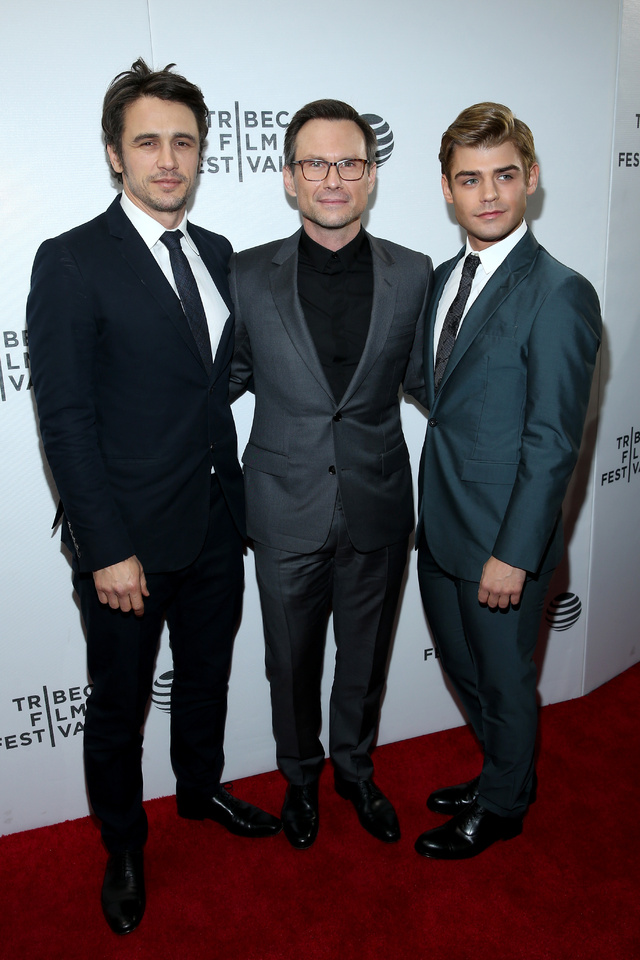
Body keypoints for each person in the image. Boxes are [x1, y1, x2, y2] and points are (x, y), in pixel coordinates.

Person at [27, 59, 280, 936]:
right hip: (126, 540)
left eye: (183, 142)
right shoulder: (70, 261)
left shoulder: (214, 255)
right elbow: (63, 421)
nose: (167, 159)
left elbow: (215, 385)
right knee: (118, 702)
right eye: (148, 142)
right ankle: (124, 844)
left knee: (206, 678)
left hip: (217, 523)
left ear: (201, 153)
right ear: (114, 154)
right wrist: (104, 547)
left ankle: (202, 791)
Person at [230, 99, 432, 849]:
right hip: (284, 506)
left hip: (378, 500)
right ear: (289, 178)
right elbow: (227, 377)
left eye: (349, 162)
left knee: (366, 654)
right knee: (290, 661)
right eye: (315, 163)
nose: (333, 178)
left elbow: (424, 380)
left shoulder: (413, 273)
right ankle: (301, 777)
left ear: (371, 174)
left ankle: (354, 768)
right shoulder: (246, 275)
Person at [415, 102, 602, 859]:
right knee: (469, 673)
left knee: (504, 680)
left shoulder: (560, 293)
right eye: (469, 179)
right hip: (440, 529)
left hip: (501, 544)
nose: (487, 194)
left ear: (531, 179)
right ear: (446, 189)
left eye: (503, 175)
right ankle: (504, 771)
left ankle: (504, 805)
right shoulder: (438, 280)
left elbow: (554, 441)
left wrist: (516, 554)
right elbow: (441, 394)